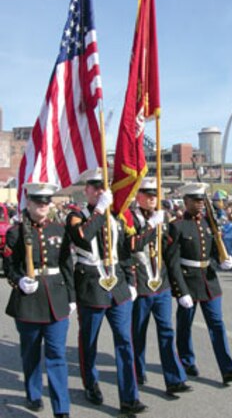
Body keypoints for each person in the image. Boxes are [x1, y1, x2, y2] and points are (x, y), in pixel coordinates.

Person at [66, 169, 147, 415]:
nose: (100, 190)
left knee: (125, 341)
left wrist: (131, 281)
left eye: (104, 186)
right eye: (95, 186)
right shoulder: (76, 216)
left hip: (118, 286)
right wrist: (100, 210)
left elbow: (124, 252)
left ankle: (129, 397)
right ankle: (90, 383)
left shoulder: (117, 216)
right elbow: (83, 237)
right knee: (89, 340)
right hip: (92, 286)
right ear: (86, 190)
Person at [165, 182, 232, 385]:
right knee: (185, 325)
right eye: (196, 201)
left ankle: (228, 368)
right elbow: (173, 262)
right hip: (189, 283)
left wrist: (223, 260)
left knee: (217, 324)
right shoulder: (177, 226)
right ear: (186, 202)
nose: (201, 204)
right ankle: (186, 361)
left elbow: (211, 251)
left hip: (209, 281)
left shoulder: (208, 223)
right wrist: (180, 290)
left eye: (202, 200)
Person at [4, 182, 75, 418]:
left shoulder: (59, 230)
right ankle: (33, 393)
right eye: (38, 201)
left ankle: (61, 407)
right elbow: (9, 266)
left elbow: (66, 265)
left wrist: (71, 297)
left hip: (56, 298)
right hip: (29, 302)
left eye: (47, 201)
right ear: (29, 202)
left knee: (57, 354)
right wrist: (19, 280)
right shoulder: (16, 232)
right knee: (31, 353)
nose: (43, 205)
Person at [127, 177, 191, 396]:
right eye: (148, 194)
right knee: (137, 333)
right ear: (138, 196)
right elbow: (132, 245)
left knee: (166, 331)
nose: (153, 199)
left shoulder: (163, 218)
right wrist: (151, 225)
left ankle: (174, 379)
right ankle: (136, 372)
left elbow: (170, 252)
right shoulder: (130, 219)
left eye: (155, 195)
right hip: (140, 284)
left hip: (161, 284)